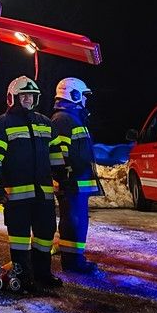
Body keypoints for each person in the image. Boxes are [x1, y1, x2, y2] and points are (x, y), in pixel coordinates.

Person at [0, 76, 65, 293]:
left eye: (31, 95)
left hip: (43, 195)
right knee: (19, 239)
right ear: (13, 98)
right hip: (17, 196)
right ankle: (23, 278)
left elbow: (55, 153)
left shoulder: (45, 122)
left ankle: (42, 274)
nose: (28, 99)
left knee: (45, 235)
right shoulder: (1, 124)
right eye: (24, 95)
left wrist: (62, 175)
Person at [51, 77, 102, 275]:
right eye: (84, 95)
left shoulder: (71, 118)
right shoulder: (63, 120)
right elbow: (58, 154)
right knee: (73, 222)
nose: (86, 100)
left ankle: (75, 259)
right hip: (72, 183)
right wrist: (65, 178)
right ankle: (73, 263)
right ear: (73, 95)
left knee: (77, 221)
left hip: (76, 182)